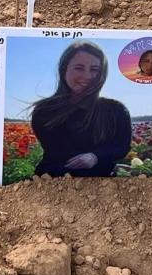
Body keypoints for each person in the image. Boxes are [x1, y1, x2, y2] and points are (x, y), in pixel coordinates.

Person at [31, 42, 132, 178]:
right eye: (79, 68)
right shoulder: (45, 111)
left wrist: (95, 157)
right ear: (64, 70)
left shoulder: (116, 110)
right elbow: (61, 152)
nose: (87, 76)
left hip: (103, 185)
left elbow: (121, 146)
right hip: (54, 181)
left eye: (94, 69)